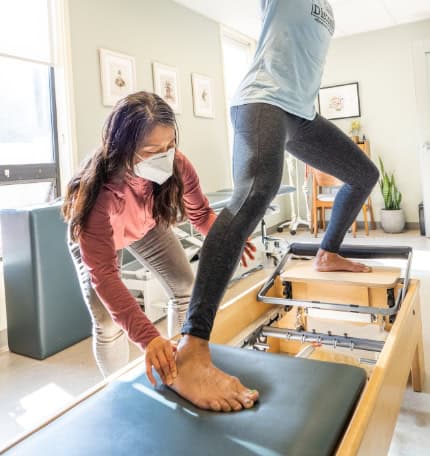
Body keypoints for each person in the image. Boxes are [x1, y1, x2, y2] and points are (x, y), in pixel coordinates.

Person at [169, 0, 380, 412]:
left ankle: (328, 252)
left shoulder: (328, 9)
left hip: (301, 115)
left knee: (363, 174)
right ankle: (191, 348)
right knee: (254, 195)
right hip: (263, 102)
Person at [62, 91, 257, 411]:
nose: (164, 157)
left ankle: (181, 368)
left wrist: (228, 239)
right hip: (99, 238)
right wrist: (149, 339)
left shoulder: (178, 165)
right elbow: (106, 276)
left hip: (145, 227)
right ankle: (117, 391)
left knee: (183, 284)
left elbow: (202, 214)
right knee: (108, 321)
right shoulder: (98, 196)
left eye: (169, 146)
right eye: (151, 150)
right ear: (121, 149)